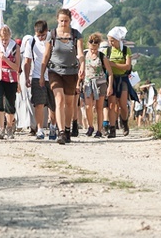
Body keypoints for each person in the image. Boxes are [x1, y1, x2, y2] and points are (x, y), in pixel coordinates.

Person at [40, 8, 85, 145]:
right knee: (59, 100)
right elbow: (46, 55)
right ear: (57, 20)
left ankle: (67, 128)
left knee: (70, 103)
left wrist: (82, 65)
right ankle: (61, 132)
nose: (63, 23)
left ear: (70, 21)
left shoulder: (76, 35)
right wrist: (41, 74)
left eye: (66, 21)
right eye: (61, 21)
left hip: (71, 72)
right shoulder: (52, 35)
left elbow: (80, 53)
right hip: (55, 71)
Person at [23, 20, 58, 140]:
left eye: (43, 35)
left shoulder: (53, 39)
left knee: (53, 105)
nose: (41, 38)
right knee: (39, 104)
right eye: (39, 35)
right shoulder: (32, 42)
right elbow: (27, 61)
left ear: (47, 31)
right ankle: (40, 129)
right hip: (37, 75)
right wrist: (27, 77)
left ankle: (53, 126)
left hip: (54, 75)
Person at [82, 32, 113, 138]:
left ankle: (99, 130)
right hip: (88, 82)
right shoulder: (85, 54)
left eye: (95, 49)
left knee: (99, 107)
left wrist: (110, 86)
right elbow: (80, 70)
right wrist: (78, 82)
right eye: (91, 49)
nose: (93, 51)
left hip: (100, 83)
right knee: (88, 106)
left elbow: (110, 73)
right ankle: (90, 126)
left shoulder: (102, 56)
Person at [104, 26, 132, 138]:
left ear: (118, 40)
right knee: (111, 104)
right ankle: (112, 128)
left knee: (123, 104)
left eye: (112, 40)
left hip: (123, 78)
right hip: (111, 79)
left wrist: (113, 64)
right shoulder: (108, 50)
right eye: (109, 40)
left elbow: (127, 66)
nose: (111, 43)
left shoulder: (125, 50)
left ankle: (124, 122)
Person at [0, 25, 20, 140]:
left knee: (10, 103)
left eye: (6, 39)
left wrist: (5, 59)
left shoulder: (15, 47)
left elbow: (16, 67)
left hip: (11, 77)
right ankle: (0, 128)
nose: (4, 41)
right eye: (2, 39)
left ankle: (9, 126)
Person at [15, 35, 36, 134]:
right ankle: (22, 123)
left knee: (32, 102)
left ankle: (34, 125)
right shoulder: (20, 53)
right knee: (22, 102)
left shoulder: (36, 52)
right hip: (23, 78)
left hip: (34, 77)